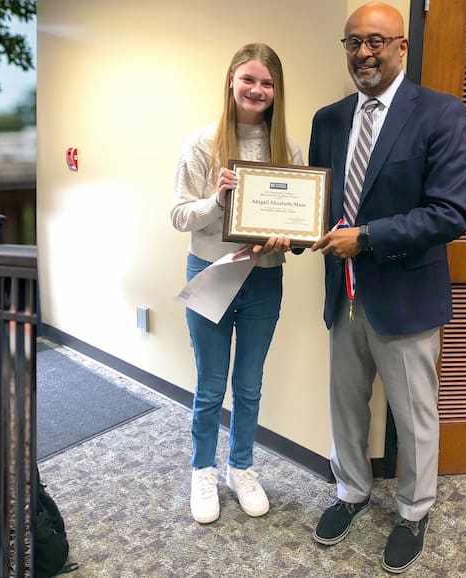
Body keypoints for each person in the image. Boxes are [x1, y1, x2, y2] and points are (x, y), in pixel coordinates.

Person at [308, 2, 466, 573]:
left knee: (413, 415)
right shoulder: (328, 119)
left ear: (402, 46)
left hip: (405, 295)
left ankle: (413, 509)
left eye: (377, 41)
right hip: (343, 295)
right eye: (354, 43)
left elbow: (452, 213)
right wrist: (285, 231)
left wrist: (367, 237)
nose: (364, 53)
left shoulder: (439, 113)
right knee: (346, 409)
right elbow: (317, 205)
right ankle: (351, 492)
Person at [171, 43, 302, 524]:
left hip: (264, 280)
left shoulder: (285, 147)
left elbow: (294, 214)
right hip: (211, 274)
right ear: (231, 80)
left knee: (248, 386)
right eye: (249, 79)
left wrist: (290, 238)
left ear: (276, 91)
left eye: (267, 83)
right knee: (209, 387)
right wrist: (218, 201)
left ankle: (240, 466)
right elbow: (180, 215)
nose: (257, 89)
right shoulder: (202, 143)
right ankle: (202, 468)